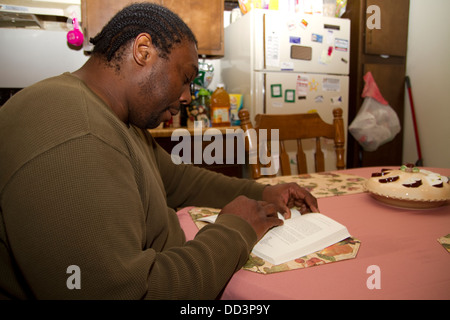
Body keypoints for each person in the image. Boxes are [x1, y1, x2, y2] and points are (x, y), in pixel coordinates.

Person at [0, 3, 318, 299]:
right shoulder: (76, 132)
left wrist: (263, 192)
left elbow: (179, 180)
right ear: (143, 51)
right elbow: (128, 292)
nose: (188, 96)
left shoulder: (118, 119)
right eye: (185, 78)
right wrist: (235, 230)